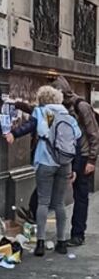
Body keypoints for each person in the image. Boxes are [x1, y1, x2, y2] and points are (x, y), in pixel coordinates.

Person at [6, 85, 80, 256]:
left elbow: (29, 127)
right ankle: (61, 242)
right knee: (60, 203)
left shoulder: (42, 112)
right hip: (64, 162)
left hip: (45, 161)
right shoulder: (67, 115)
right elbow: (76, 138)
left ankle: (40, 242)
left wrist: (13, 134)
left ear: (42, 99)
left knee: (43, 202)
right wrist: (73, 166)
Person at [51, 76, 99, 246]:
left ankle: (78, 234)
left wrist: (91, 160)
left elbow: (94, 134)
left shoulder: (81, 106)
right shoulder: (59, 108)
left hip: (82, 156)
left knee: (80, 195)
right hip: (66, 154)